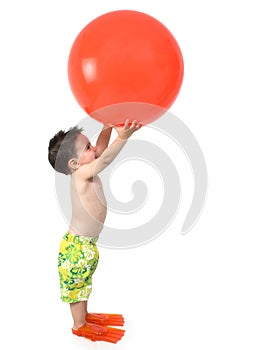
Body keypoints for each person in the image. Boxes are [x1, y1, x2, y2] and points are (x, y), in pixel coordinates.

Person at [48, 119, 141, 343]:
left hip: (86, 245)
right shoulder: (82, 174)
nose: (95, 149)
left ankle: (85, 316)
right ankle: (79, 325)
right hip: (76, 249)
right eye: (88, 148)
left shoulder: (84, 167)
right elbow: (106, 157)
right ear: (73, 163)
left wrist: (107, 127)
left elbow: (100, 150)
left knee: (83, 284)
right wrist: (123, 138)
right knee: (77, 286)